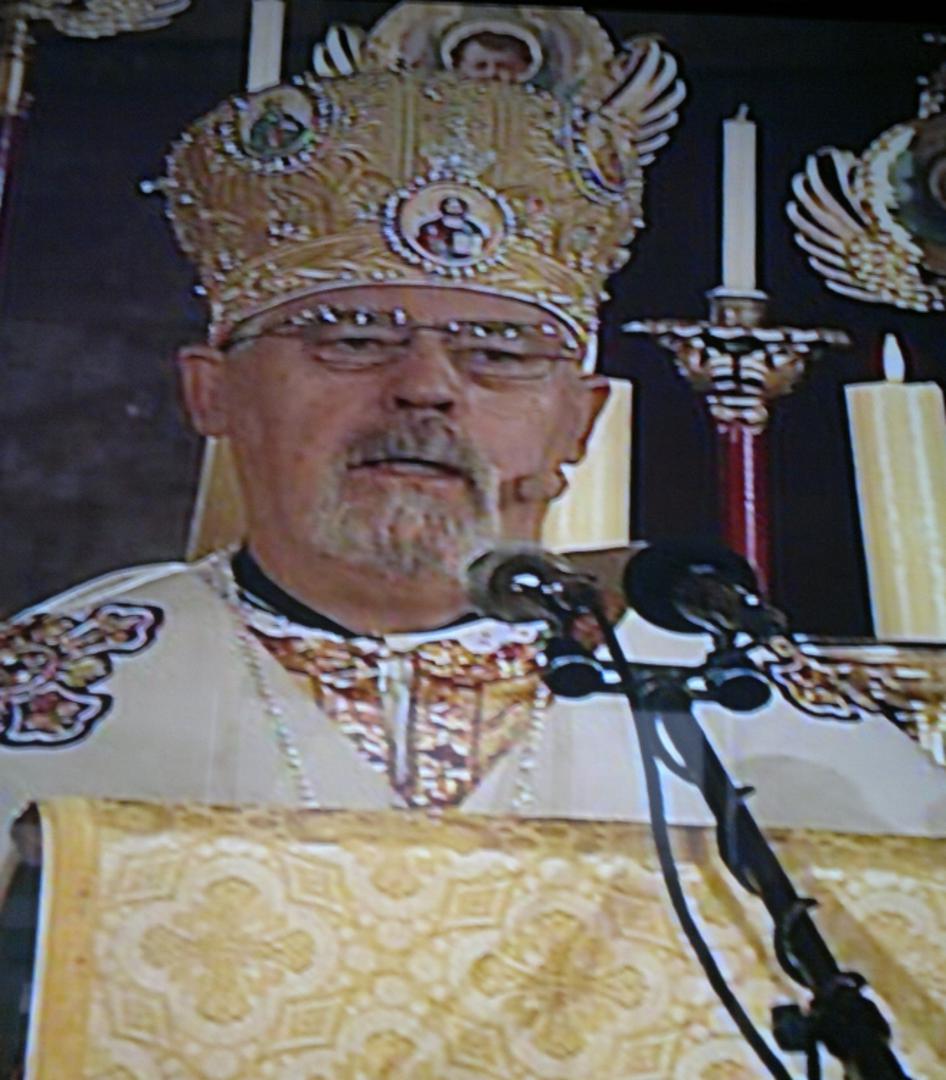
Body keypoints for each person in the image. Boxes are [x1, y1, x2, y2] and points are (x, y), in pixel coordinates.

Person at [1, 3, 944, 1074]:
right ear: (211, 392)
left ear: (579, 421)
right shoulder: (49, 696)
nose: (426, 386)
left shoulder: (760, 712)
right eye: (351, 336)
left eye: (499, 351)